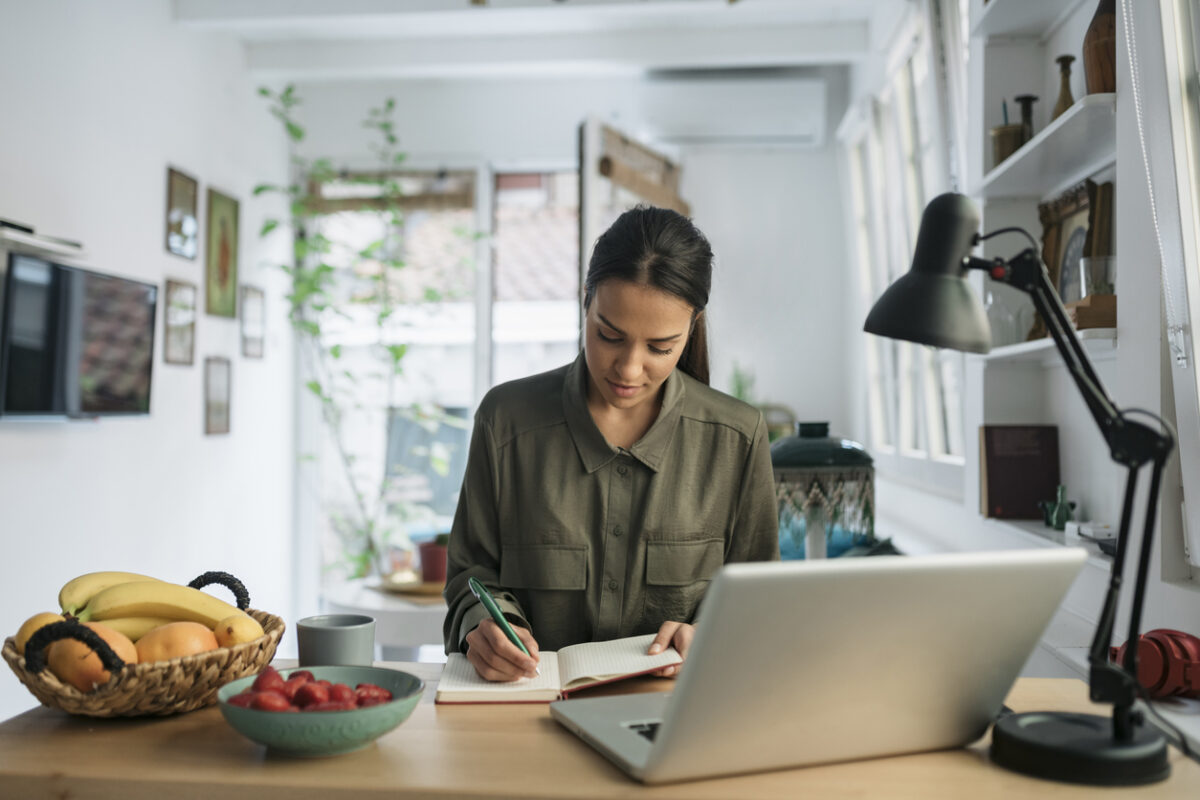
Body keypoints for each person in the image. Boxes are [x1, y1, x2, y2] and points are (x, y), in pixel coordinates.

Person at [443, 205, 779, 682]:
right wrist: (486, 627)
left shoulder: (736, 438)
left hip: (675, 716)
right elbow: (470, 576)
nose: (628, 369)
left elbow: (759, 601)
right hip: (526, 711)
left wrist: (712, 633)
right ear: (586, 302)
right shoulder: (506, 422)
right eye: (609, 335)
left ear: (693, 326)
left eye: (660, 347)